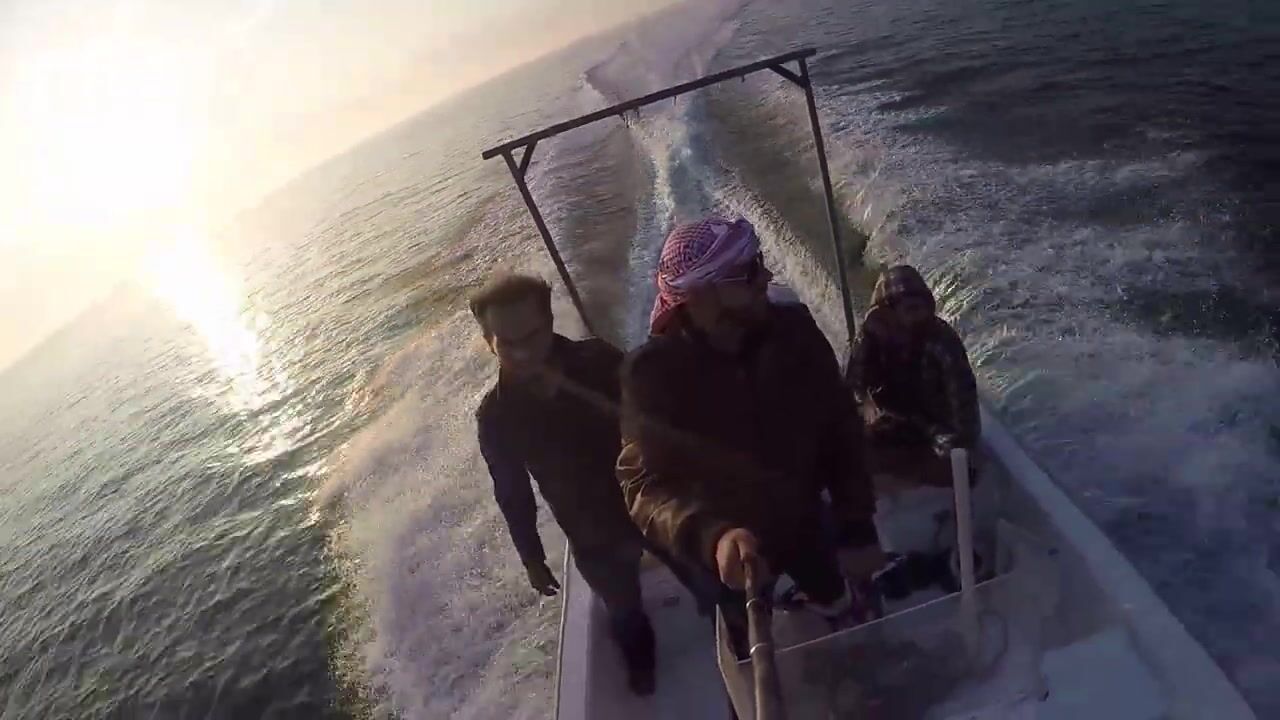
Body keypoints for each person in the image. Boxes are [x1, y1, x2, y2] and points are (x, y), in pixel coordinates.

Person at [617, 216, 883, 623]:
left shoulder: (795, 331)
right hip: (727, 552)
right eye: (749, 270)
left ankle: (837, 610)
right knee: (747, 638)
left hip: (804, 518)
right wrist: (712, 538)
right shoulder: (652, 375)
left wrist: (857, 522)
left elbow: (840, 425)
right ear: (701, 295)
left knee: (836, 598)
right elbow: (645, 487)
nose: (765, 277)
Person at [472, 273, 656, 695]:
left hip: (654, 502)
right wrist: (532, 558)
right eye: (507, 343)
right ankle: (642, 665)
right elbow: (512, 493)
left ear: (550, 321)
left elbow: (656, 416)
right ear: (487, 341)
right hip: (593, 535)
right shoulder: (496, 418)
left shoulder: (600, 359)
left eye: (532, 336)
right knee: (625, 614)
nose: (522, 352)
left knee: (708, 577)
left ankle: (739, 638)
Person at [846, 265, 981, 489]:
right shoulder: (872, 334)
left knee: (955, 468)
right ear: (889, 310)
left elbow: (964, 421)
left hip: (932, 431)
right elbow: (853, 386)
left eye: (921, 307)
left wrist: (948, 446)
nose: (918, 315)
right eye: (909, 309)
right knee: (842, 443)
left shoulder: (942, 344)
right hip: (888, 422)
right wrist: (867, 408)